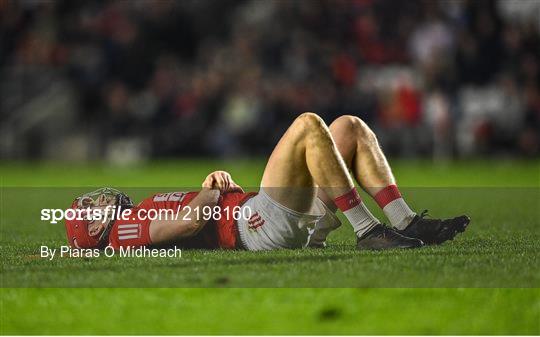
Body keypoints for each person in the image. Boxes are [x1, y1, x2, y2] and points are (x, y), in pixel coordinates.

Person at [65, 113, 470, 251]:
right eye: (89, 209)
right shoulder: (123, 230)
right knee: (309, 125)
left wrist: (216, 190)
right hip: (254, 226)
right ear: (97, 228)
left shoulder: (130, 217)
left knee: (349, 127)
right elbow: (188, 223)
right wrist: (211, 188)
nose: (95, 201)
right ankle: (366, 230)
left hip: (258, 212)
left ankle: (405, 221)